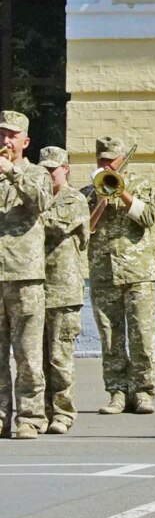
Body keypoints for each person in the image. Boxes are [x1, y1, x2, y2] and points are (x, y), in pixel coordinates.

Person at [86, 136, 155, 417]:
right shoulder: (88, 192)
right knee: (110, 337)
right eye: (101, 160)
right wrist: (100, 203)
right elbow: (83, 231)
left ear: (122, 160)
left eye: (110, 160)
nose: (106, 164)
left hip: (139, 273)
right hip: (104, 274)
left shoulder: (142, 185)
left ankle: (143, 392)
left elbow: (149, 218)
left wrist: (123, 194)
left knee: (142, 335)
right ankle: (117, 392)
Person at [0, 111, 52, 439]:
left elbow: (42, 201)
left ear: (25, 141)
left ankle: (31, 417)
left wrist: (13, 172)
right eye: (1, 134)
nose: (5, 140)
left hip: (25, 275)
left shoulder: (36, 174)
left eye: (12, 135)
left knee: (28, 352)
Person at [39, 147, 88, 435]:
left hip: (64, 290)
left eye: (52, 169)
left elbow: (53, 227)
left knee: (59, 357)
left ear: (65, 169)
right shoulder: (37, 196)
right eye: (43, 169)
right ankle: (40, 411)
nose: (47, 174)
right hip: (35, 287)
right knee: (36, 357)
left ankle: (62, 412)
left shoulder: (74, 199)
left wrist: (31, 208)